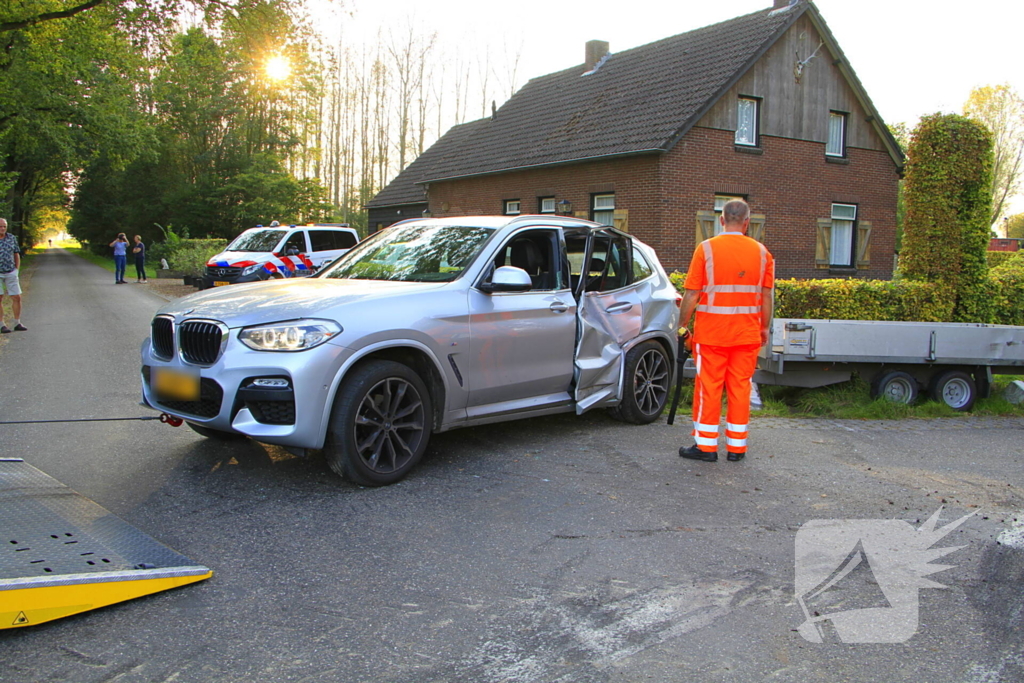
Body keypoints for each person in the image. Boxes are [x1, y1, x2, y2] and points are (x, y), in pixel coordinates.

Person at [678, 199, 774, 463]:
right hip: (746, 335)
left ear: (721, 220)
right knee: (740, 388)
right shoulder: (762, 253)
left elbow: (691, 293)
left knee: (709, 388)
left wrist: (681, 324)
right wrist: (764, 327)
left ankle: (706, 447)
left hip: (712, 335)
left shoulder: (706, 249)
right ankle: (737, 448)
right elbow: (767, 297)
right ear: (747, 222)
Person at [0, 218, 26, 333]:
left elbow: (16, 253)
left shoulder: (11, 238)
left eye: (4, 226)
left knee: (16, 297)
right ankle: (2, 325)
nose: (2, 229)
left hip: (11, 271)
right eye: (0, 226)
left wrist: (17, 269)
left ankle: (17, 323)